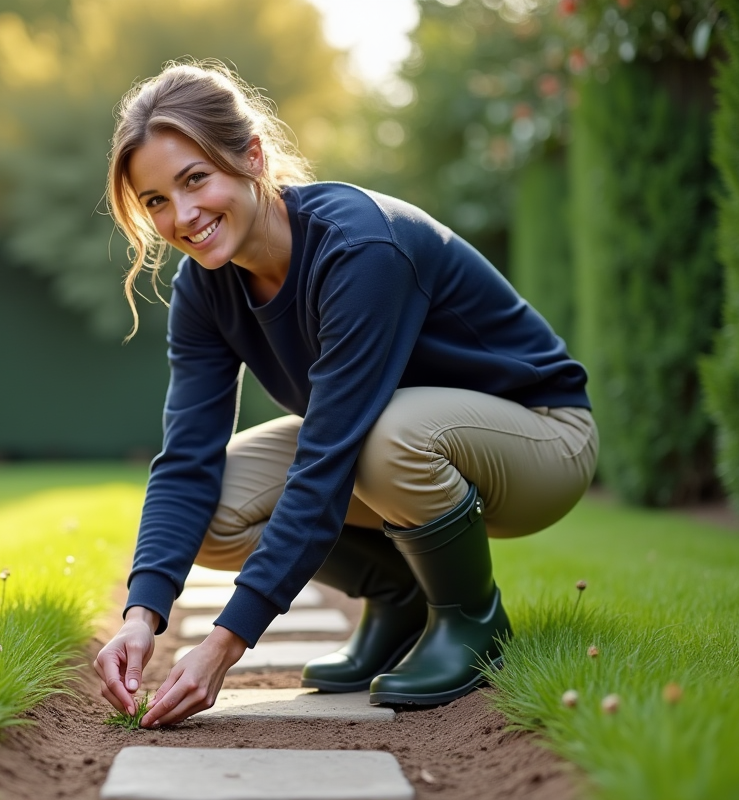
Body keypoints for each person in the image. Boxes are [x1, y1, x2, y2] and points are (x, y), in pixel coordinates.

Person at [92, 60, 597, 729]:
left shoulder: (359, 248)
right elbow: (187, 459)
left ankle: (470, 618)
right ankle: (400, 597)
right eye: (155, 200)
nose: (182, 215)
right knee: (212, 511)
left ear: (251, 156)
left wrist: (225, 642)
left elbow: (329, 455)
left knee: (382, 437)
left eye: (195, 179)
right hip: (393, 443)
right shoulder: (203, 290)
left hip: (542, 438)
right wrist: (140, 615)